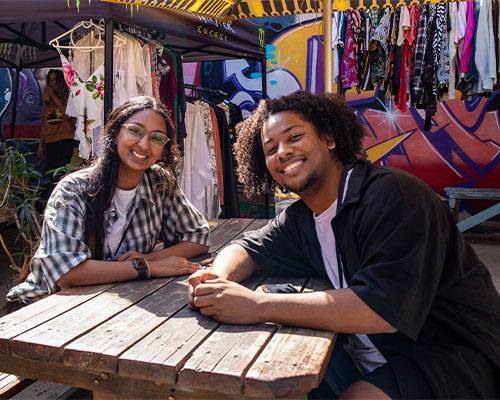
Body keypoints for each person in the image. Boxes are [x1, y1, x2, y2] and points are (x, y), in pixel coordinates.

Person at [188, 91, 500, 399]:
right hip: (368, 351)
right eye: (270, 149)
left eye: (293, 137)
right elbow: (248, 248)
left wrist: (255, 307)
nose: (282, 152)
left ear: (329, 138)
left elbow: (379, 310)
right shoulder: (303, 217)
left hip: (451, 355)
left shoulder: (393, 197)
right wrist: (215, 279)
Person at [8, 96, 209, 305]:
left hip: (109, 306)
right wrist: (146, 268)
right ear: (115, 134)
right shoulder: (74, 190)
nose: (144, 144)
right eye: (135, 131)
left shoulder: (159, 183)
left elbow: (198, 237)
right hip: (44, 308)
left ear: (164, 149)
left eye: (156, 138)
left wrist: (150, 258)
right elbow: (66, 273)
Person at [38, 69, 78, 171]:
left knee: (64, 171)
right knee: (51, 171)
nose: (52, 83)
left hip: (65, 139)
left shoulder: (67, 96)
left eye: (54, 79)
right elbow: (44, 123)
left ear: (60, 81)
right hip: (50, 140)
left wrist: (53, 96)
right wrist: (41, 145)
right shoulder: (47, 101)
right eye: (50, 80)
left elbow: (67, 114)